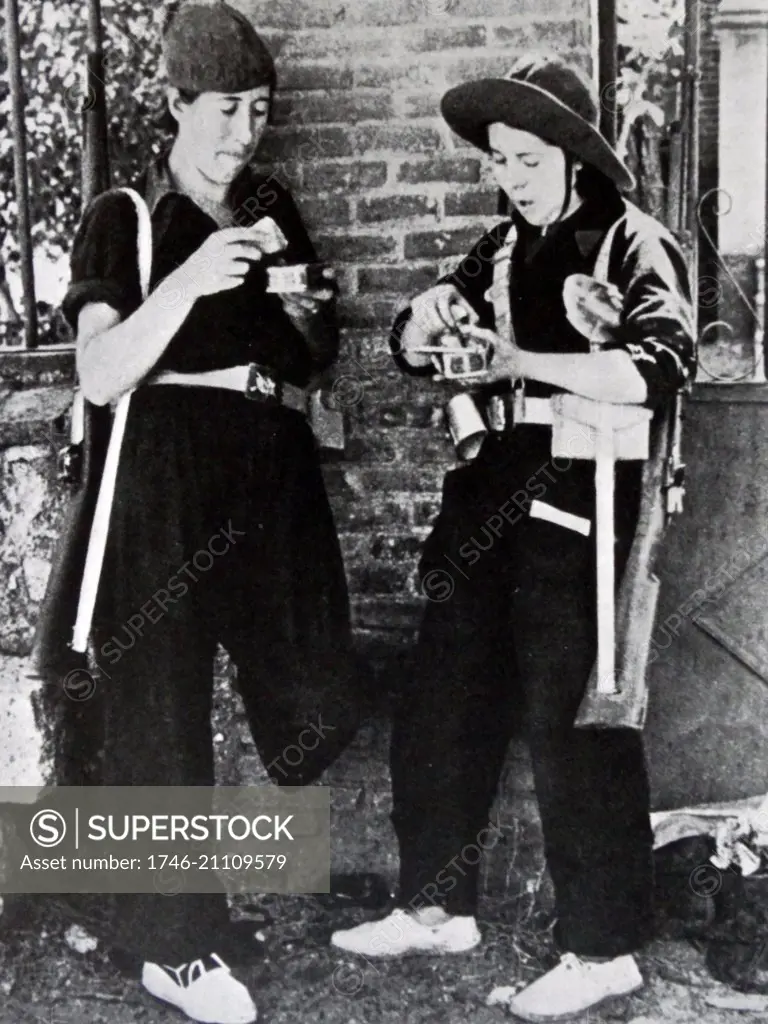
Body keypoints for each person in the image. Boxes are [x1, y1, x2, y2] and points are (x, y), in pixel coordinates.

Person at [331, 55, 695, 1021]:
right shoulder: (494, 248)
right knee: (443, 695)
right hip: (487, 497)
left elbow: (653, 373)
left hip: (582, 499)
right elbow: (414, 345)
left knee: (571, 718)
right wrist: (420, 326)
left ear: (573, 155)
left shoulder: (632, 241)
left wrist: (521, 359)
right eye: (499, 160)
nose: (513, 177)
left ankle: (602, 946)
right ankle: (435, 904)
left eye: (529, 159)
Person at [61, 3, 360, 1022]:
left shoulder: (271, 204)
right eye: (227, 110)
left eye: (261, 111)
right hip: (166, 474)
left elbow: (311, 354)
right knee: (162, 700)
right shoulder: (127, 216)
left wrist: (307, 312)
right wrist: (191, 279)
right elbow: (102, 372)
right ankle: (175, 946)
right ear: (177, 105)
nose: (246, 133)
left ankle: (139, 899)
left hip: (269, 469)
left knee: (319, 687)